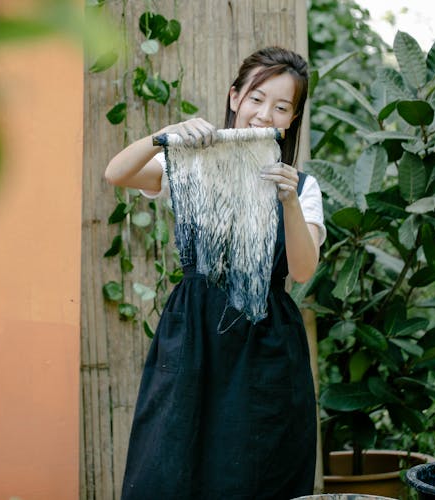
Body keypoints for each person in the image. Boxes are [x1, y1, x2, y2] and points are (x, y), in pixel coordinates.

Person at [104, 46, 325, 499]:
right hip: (193, 334)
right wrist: (164, 134)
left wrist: (287, 202)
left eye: (281, 107)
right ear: (235, 97)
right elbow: (116, 173)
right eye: (257, 98)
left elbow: (302, 271)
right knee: (169, 462)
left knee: (256, 471)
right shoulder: (191, 165)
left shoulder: (301, 187)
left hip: (267, 343)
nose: (265, 114)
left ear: (293, 117)